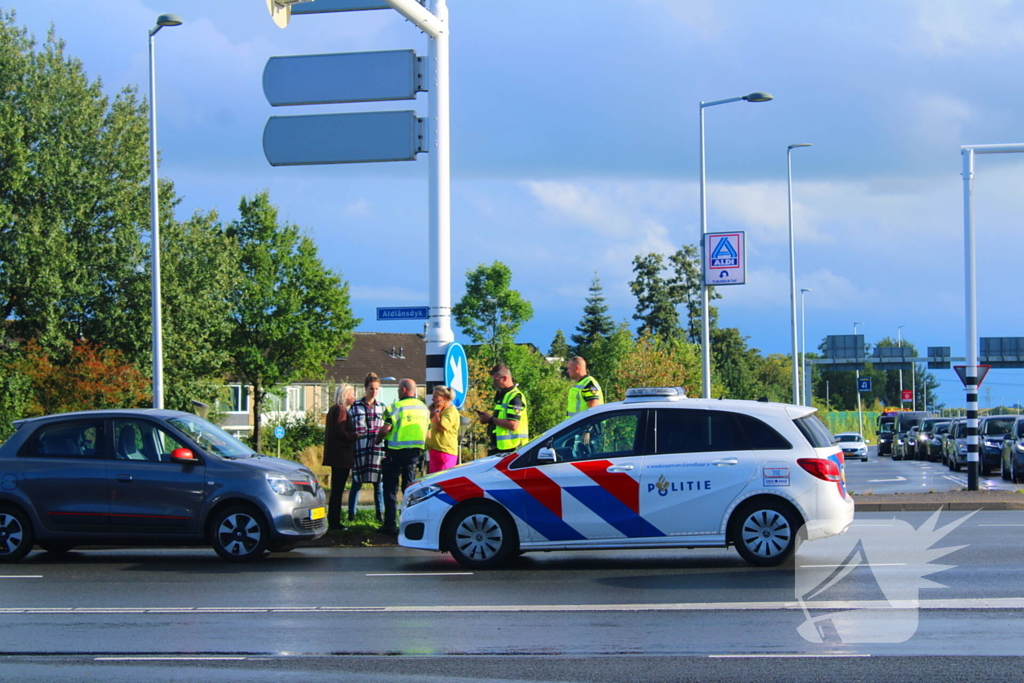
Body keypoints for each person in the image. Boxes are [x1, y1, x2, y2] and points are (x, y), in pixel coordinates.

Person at [377, 378, 430, 535]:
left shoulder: (395, 407)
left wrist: (378, 439)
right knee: (409, 490)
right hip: (414, 454)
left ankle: (390, 524)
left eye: (399, 389)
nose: (398, 391)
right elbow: (428, 432)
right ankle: (409, 523)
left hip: (394, 453)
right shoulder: (424, 408)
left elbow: (386, 429)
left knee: (390, 489)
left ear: (404, 390)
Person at [348, 372, 386, 522]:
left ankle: (380, 514)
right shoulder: (355, 407)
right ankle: (351, 514)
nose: (374, 392)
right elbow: (349, 426)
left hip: (377, 452)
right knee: (356, 483)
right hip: (360, 450)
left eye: (376, 389)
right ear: (365, 388)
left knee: (379, 485)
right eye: (371, 388)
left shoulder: (382, 408)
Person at [322, 383, 357, 532]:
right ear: (345, 395)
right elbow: (340, 432)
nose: (354, 397)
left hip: (336, 455)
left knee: (337, 490)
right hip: (341, 456)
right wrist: (355, 435)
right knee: (338, 490)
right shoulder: (341, 410)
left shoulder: (334, 409)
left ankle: (334, 520)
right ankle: (335, 522)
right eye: (352, 394)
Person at [474, 363, 528, 456]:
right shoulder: (504, 395)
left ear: (505, 378)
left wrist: (491, 419)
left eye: (496, 380)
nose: (494, 383)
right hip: (502, 448)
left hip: (512, 449)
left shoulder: (515, 397)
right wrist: (488, 419)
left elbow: (513, 425)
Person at [426, 385, 460, 473]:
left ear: (444, 398)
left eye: (435, 397)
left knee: (442, 480)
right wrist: (430, 411)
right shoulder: (437, 411)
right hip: (434, 450)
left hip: (445, 451)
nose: (432, 399)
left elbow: (442, 427)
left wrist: (437, 411)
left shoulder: (451, 411)